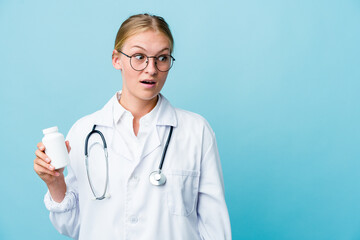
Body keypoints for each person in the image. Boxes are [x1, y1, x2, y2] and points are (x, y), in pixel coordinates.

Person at [34, 13, 231, 240]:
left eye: (162, 58)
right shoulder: (84, 132)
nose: (152, 69)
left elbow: (216, 229)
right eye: (139, 56)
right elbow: (74, 227)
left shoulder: (197, 132)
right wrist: (55, 183)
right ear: (116, 59)